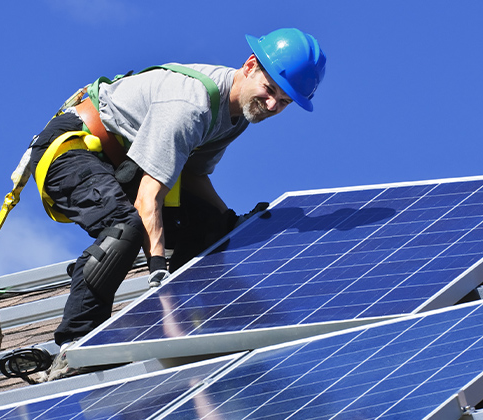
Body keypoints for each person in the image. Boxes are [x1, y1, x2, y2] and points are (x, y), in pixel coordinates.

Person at [27, 28, 326, 378]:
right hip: (71, 149)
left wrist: (229, 219)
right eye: (270, 89)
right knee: (124, 228)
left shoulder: (236, 117)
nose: (273, 105)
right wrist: (158, 272)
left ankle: (198, 319)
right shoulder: (192, 105)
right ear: (249, 66)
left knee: (212, 227)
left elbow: (194, 177)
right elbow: (147, 198)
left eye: (285, 101)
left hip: (122, 165)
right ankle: (76, 346)